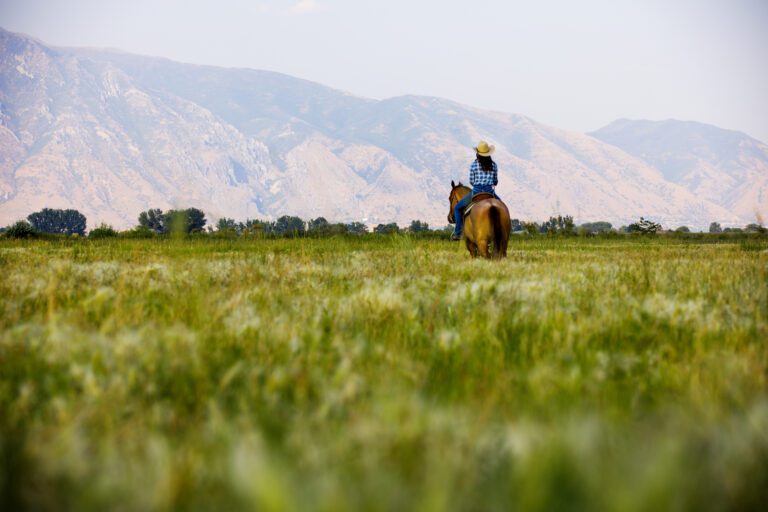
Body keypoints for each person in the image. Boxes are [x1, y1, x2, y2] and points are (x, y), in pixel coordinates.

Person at [451, 140, 502, 240]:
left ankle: (458, 233)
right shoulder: (494, 165)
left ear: (478, 153)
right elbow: (495, 181)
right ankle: (503, 231)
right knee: (502, 208)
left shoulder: (473, 165)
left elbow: (471, 181)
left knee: (457, 208)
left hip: (476, 192)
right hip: (490, 193)